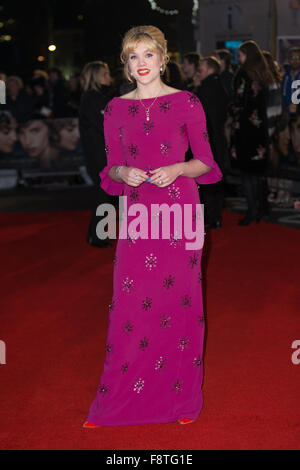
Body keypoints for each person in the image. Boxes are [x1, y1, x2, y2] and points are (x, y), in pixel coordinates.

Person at [83, 25, 222, 428]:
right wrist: (123, 170)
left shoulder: (187, 102)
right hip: (138, 217)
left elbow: (207, 163)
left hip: (180, 214)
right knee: (130, 308)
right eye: (133, 56)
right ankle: (118, 399)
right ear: (125, 65)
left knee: (180, 304)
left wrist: (178, 167)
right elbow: (109, 169)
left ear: (163, 59)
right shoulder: (114, 109)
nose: (141, 63)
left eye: (148, 54)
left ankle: (181, 399)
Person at [230, 40, 274, 225]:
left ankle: (251, 211)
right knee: (258, 173)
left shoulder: (243, 74)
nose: (238, 58)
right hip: (260, 129)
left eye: (240, 55)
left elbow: (239, 101)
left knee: (247, 173)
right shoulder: (263, 74)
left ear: (246, 55)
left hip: (246, 130)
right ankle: (262, 208)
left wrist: (232, 110)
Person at [79, 61, 114, 248]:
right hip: (98, 155)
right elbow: (104, 127)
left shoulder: (97, 97)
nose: (109, 77)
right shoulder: (93, 99)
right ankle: (98, 236)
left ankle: (96, 234)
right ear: (97, 77)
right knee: (104, 194)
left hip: (101, 153)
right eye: (105, 74)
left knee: (106, 194)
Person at [195, 56, 231, 229]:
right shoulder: (218, 86)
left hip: (208, 141)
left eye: (201, 68)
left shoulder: (206, 89)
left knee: (207, 179)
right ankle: (214, 216)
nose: (197, 71)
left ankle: (211, 216)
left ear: (210, 69)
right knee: (214, 179)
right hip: (217, 139)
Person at [282, 47, 300, 115]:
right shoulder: (284, 76)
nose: (295, 60)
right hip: (286, 116)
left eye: (298, 58)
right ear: (288, 60)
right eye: (292, 58)